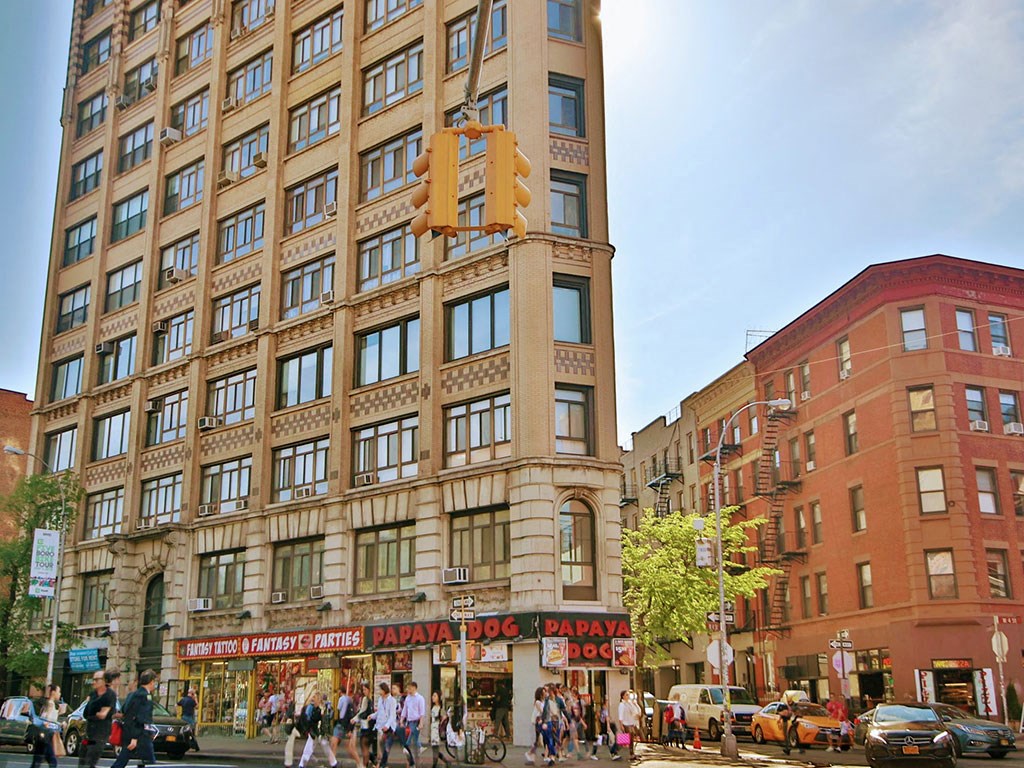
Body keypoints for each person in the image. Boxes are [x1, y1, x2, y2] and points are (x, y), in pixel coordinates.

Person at [110, 669, 159, 768]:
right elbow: (141, 717)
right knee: (149, 762)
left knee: (126, 758)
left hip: (129, 731)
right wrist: (135, 737)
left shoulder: (132, 694)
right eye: (155, 682)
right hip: (140, 734)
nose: (155, 684)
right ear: (151, 681)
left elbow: (124, 710)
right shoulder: (145, 696)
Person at [80, 670, 117, 768]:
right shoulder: (93, 694)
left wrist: (95, 713)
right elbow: (86, 713)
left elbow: (103, 715)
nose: (94, 682)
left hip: (100, 734)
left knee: (90, 759)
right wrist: (95, 713)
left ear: (104, 681)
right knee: (82, 757)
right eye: (93, 679)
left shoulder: (110, 695)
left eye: (97, 680)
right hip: (88, 733)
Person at [297, 692, 338, 768]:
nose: (313, 699)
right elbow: (308, 719)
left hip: (319, 732)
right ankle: (301, 765)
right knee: (309, 749)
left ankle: (334, 763)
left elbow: (325, 719)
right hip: (314, 732)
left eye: (314, 697)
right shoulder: (312, 708)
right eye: (313, 697)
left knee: (324, 747)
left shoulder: (320, 709)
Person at [31, 684, 61, 768]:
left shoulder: (49, 703)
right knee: (52, 761)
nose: (60, 694)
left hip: (44, 735)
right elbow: (45, 719)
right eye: (59, 691)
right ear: (53, 692)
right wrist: (59, 724)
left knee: (37, 761)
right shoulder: (50, 704)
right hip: (46, 735)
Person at [370, 682, 397, 768]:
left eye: (380, 690)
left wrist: (387, 725)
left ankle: (382, 765)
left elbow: (392, 715)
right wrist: (372, 716)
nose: (379, 691)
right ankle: (381, 764)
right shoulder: (380, 700)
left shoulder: (392, 700)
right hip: (380, 726)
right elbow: (379, 712)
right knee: (380, 746)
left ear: (384, 690)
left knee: (386, 747)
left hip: (389, 728)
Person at [400, 681, 425, 768]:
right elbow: (404, 710)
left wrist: (421, 723)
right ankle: (413, 761)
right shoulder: (408, 698)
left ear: (414, 688)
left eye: (410, 688)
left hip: (416, 721)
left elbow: (422, 712)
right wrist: (402, 720)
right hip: (409, 722)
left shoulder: (420, 698)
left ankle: (407, 747)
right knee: (415, 740)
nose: (408, 690)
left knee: (412, 738)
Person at [617, 690, 641, 762]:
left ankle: (632, 753)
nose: (628, 696)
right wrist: (621, 725)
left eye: (628, 695)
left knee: (631, 739)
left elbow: (636, 712)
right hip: (626, 723)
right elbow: (620, 715)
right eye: (626, 695)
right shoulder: (622, 705)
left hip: (631, 723)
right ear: (623, 696)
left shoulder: (629, 704)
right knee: (627, 739)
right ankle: (615, 749)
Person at [428, 692, 450, 768]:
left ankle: (434, 765)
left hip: (437, 730)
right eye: (432, 696)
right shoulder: (433, 707)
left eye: (435, 696)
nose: (432, 697)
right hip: (433, 730)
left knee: (435, 749)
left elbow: (445, 717)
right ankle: (446, 762)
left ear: (438, 698)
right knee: (434, 749)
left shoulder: (440, 708)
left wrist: (442, 719)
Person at [332, 686, 353, 759]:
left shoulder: (341, 699)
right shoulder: (349, 699)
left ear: (340, 691)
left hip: (341, 721)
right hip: (346, 722)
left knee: (334, 742)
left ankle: (333, 758)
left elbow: (338, 708)